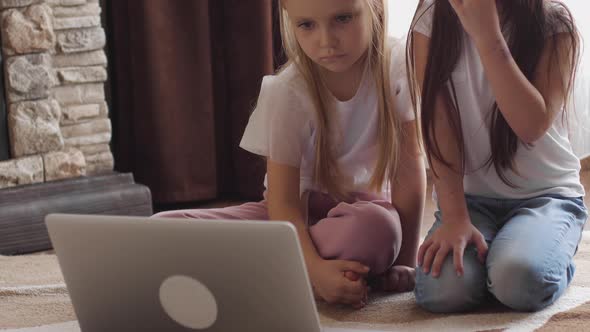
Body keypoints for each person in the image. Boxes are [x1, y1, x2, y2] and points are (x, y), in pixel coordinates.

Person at [154, 0, 426, 308]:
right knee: (162, 229)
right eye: (306, 25)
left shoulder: (397, 67)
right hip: (292, 217)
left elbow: (408, 169)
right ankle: (304, 270)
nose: (326, 41)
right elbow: (282, 203)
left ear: (375, 8)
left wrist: (405, 263)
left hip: (360, 219)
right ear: (289, 21)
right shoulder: (287, 91)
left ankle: (274, 269)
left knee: (378, 229)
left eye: (342, 18)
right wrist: (315, 269)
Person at [408, 0, 588, 312]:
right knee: (443, 292)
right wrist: (454, 218)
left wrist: (488, 37)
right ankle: (503, 258)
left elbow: (529, 127)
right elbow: (438, 125)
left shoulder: (556, 25)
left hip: (545, 196)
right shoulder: (431, 18)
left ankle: (537, 261)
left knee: (519, 280)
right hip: (470, 202)